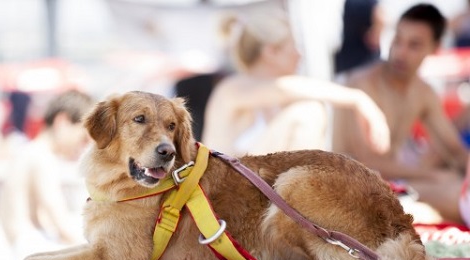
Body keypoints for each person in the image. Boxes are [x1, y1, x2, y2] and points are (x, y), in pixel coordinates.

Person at [332, 3, 469, 224]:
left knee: (456, 183)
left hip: (394, 185)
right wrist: (432, 175)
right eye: (397, 40)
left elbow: (453, 150)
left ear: (434, 48)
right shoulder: (363, 84)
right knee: (454, 192)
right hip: (352, 188)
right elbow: (366, 162)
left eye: (414, 45)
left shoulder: (422, 92)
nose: (400, 52)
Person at [201, 9, 390, 157]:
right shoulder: (232, 89)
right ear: (271, 52)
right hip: (226, 199)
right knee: (309, 112)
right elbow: (284, 88)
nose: (299, 55)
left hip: (257, 194)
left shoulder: (277, 99)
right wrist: (358, 99)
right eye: (293, 47)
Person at [0, 89, 95, 260]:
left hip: (23, 245)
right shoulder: (41, 157)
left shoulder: (28, 152)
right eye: (83, 138)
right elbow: (56, 216)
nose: (83, 147)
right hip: (30, 247)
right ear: (62, 122)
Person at [333, 0, 385, 77]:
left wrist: (374, 35)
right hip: (354, 60)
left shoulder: (366, 2)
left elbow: (381, 18)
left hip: (362, 62)